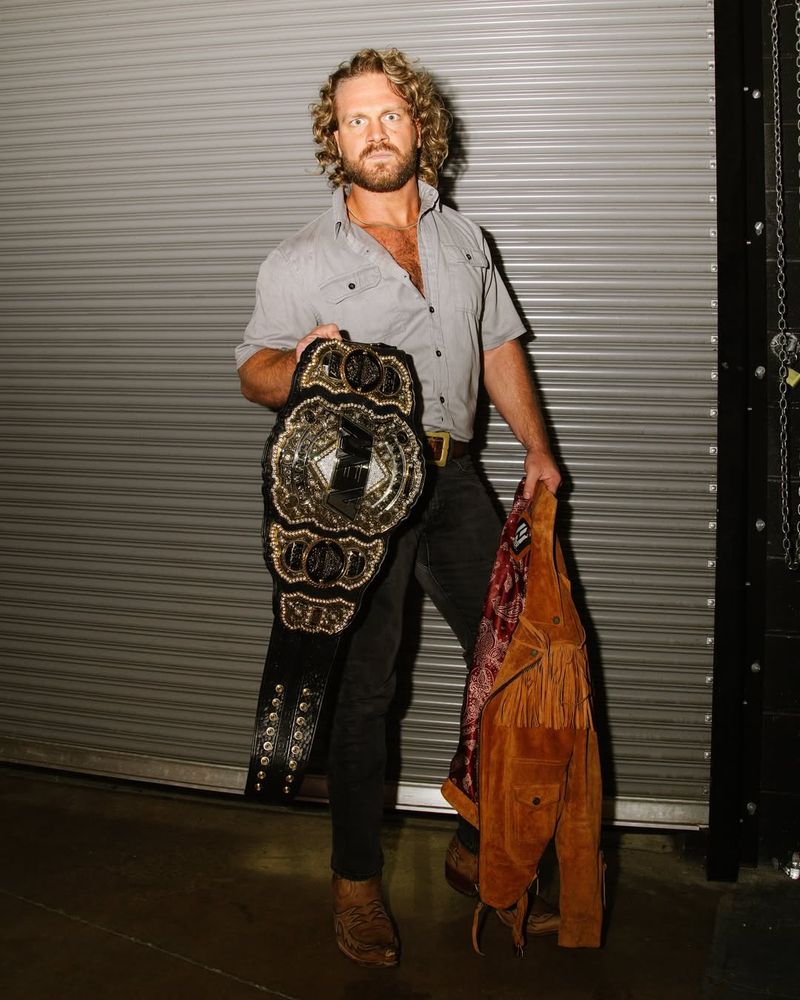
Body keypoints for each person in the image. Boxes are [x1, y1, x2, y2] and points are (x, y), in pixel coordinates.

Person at [236, 48, 561, 968]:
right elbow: (251, 370)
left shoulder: (465, 240)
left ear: (419, 123)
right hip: (354, 497)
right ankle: (357, 884)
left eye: (389, 115)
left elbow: (498, 348)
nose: (374, 133)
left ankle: (477, 849)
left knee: (516, 667)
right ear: (333, 139)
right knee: (366, 692)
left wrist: (539, 450)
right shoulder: (300, 257)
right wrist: (298, 365)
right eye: (354, 120)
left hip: (456, 481)